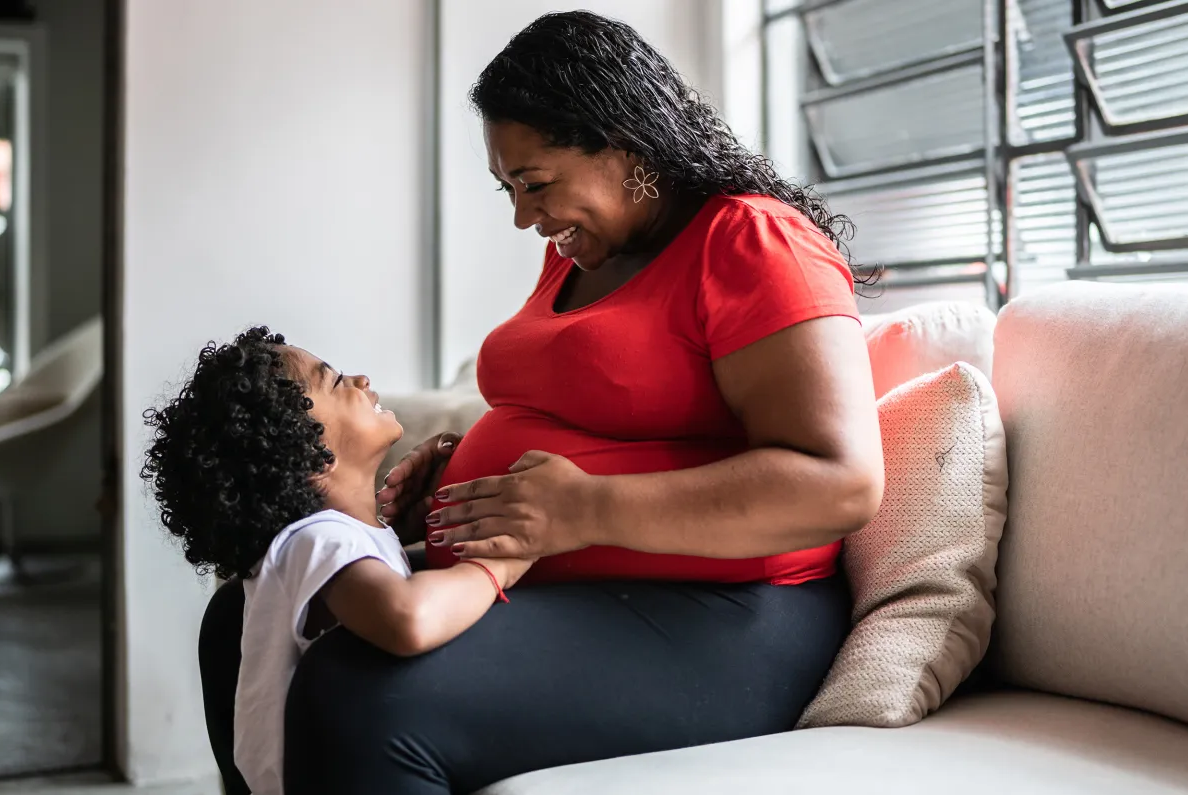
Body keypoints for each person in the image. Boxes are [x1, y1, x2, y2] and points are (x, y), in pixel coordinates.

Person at [199, 11, 884, 795]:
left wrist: (581, 509)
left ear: (625, 143)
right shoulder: (581, 255)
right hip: (576, 582)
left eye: (536, 183)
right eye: (509, 189)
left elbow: (842, 482)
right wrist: (469, 486)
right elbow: (592, 414)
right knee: (241, 617)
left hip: (732, 613)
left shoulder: (753, 242)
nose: (525, 217)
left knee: (360, 693)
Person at [142, 328, 534, 795]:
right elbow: (406, 618)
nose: (362, 380)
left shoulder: (314, 543)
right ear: (311, 452)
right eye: (337, 382)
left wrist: (399, 528)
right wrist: (505, 561)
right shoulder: (316, 541)